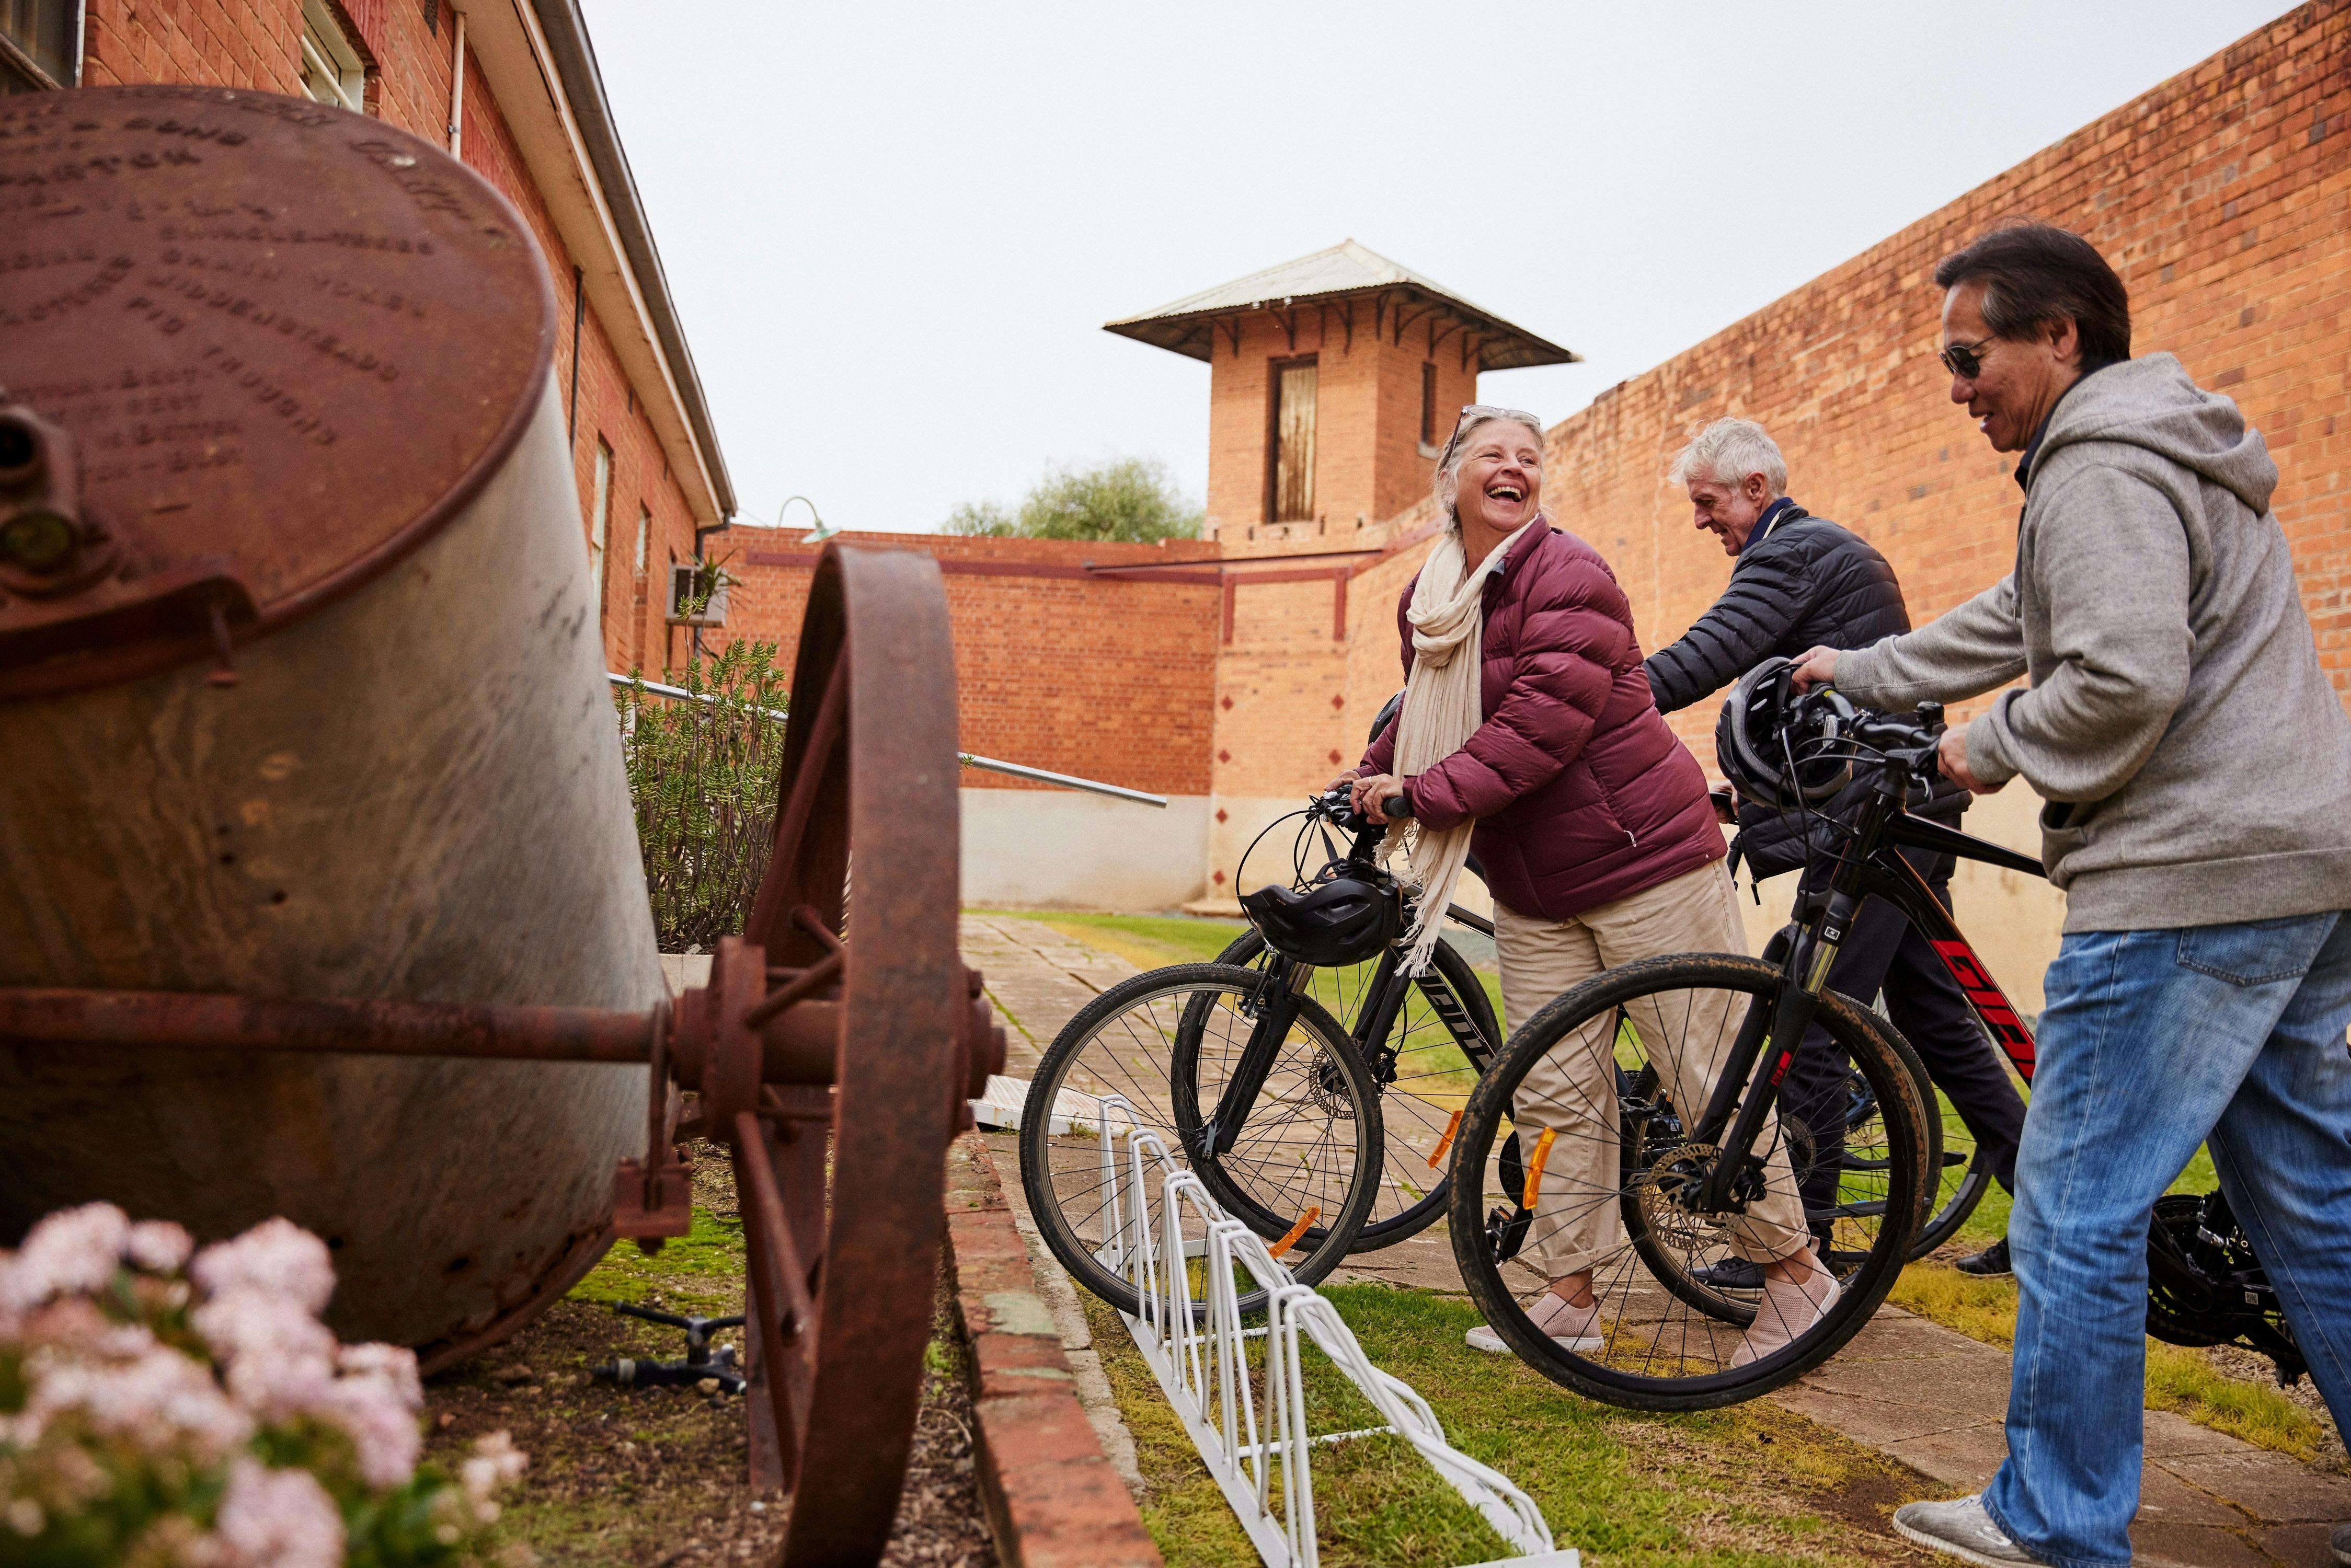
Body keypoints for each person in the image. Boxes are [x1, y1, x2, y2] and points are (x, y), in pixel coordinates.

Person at [1787, 223, 2351, 1568]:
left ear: (2058, 338)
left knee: (2071, 1202)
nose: (1955, 383)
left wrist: (1971, 749)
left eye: (1968, 355)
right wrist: (1860, 669)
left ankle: (2055, 1516)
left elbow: (2117, 674)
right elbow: (2021, 614)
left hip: (2185, 877)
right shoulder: (2156, 447)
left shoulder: (2094, 466)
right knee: (2309, 1200)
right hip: (2298, 862)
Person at [1332, 405, 1837, 1369]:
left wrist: (1417, 797)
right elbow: (1434, 709)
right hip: (1534, 882)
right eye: (1492, 455)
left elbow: (1532, 732)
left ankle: (1793, 1277)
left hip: (1643, 860)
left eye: (1528, 456)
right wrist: (1368, 772)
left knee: (1703, 1079)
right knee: (1553, 1093)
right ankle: (1567, 1294)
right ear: (1453, 478)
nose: (1513, 468)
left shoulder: (1570, 576)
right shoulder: (1435, 592)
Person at [1644, 417, 2028, 1282]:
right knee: (1934, 1019)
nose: (1702, 521)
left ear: (1753, 488)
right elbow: (1799, 717)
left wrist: (1580, 697)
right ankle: (2048, 1218)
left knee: (1810, 1016)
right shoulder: (1815, 552)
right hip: (1898, 805)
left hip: (1876, 818)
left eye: (1707, 503)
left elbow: (1702, 660)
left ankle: (1802, 1241)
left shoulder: (1790, 553)